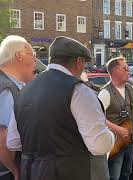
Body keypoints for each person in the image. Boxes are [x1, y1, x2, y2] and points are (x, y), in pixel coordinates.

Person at [6, 36, 115, 180]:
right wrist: (112, 135)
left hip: (31, 173)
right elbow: (99, 145)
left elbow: (13, 142)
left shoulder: (24, 90)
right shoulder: (78, 90)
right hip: (68, 172)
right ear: (78, 62)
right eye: (84, 64)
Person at [0, 35, 36, 180]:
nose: (35, 60)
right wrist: (16, 170)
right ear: (19, 56)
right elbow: (2, 138)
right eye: (32, 55)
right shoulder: (6, 87)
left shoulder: (13, 85)